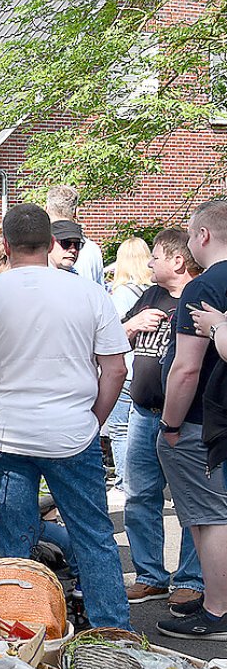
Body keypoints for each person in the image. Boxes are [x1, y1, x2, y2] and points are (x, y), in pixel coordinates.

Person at [0, 202, 130, 629]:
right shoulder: (90, 293)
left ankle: (23, 632)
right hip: (71, 432)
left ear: (5, 245)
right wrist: (94, 420)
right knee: (93, 537)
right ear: (52, 243)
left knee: (15, 544)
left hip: (5, 435)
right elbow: (116, 368)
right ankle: (112, 633)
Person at [120, 229, 203, 613]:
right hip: (143, 415)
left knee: (191, 503)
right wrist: (132, 325)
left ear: (177, 261)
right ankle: (150, 577)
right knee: (139, 497)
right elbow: (113, 338)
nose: (150, 263)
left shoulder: (202, 297)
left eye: (156, 256)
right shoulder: (149, 296)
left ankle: (190, 580)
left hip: (188, 420)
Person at [157, 199, 227, 636]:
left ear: (202, 235)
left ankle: (218, 611)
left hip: (202, 420)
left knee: (209, 516)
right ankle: (217, 596)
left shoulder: (204, 288)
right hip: (219, 419)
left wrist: (170, 425)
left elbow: (186, 369)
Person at [107, 237, 154, 485]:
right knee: (141, 431)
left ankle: (125, 481)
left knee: (120, 429)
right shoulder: (153, 292)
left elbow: (111, 334)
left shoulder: (121, 293)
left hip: (124, 369)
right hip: (146, 368)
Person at [45, 184, 106, 285]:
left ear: (46, 209)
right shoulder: (92, 249)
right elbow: (99, 295)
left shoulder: (35, 248)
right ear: (76, 212)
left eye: (77, 245)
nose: (72, 249)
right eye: (65, 243)